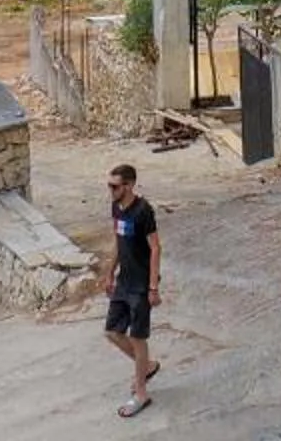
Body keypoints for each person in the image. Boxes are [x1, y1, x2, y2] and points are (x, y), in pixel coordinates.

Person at [102, 163, 162, 418]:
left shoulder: (143, 211)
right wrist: (108, 273)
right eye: (109, 185)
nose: (110, 190)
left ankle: (141, 393)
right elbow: (118, 241)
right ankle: (146, 366)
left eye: (114, 186)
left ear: (129, 185)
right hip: (124, 281)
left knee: (138, 338)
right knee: (112, 332)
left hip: (140, 284)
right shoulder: (116, 207)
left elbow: (156, 248)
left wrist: (153, 287)